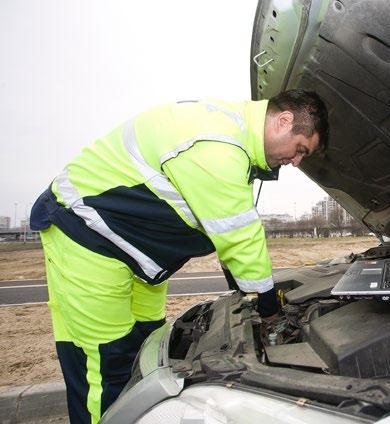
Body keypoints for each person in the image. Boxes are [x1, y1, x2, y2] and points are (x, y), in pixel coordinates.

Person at [30, 89, 329, 423]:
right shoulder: (218, 144)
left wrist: (247, 293)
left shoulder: (235, 146)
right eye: (300, 149)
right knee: (105, 363)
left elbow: (226, 237)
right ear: (283, 121)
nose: (296, 162)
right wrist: (268, 308)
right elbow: (241, 239)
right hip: (89, 240)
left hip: (137, 256)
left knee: (144, 349)